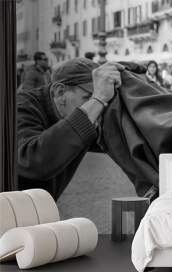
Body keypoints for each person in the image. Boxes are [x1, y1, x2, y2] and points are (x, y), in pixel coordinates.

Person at [17, 58, 125, 200]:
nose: (97, 110)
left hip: (38, 210)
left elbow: (122, 140)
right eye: (88, 98)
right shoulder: (19, 106)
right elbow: (33, 159)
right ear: (60, 92)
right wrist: (98, 99)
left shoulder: (81, 114)